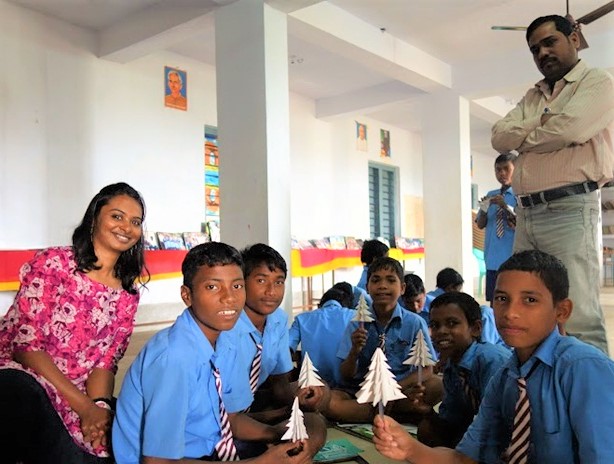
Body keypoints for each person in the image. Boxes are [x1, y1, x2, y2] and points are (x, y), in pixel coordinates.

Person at [373, 250, 614, 463]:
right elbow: (464, 458)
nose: (510, 313)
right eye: (501, 299)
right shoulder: (506, 378)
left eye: (529, 300)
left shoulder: (583, 368)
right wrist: (409, 448)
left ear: (562, 311)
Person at [113, 242, 315, 463]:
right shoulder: (174, 357)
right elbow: (157, 461)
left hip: (212, 446)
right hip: (172, 459)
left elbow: (230, 419)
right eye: (213, 287)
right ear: (187, 295)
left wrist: (279, 435)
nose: (229, 298)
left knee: (313, 426)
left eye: (237, 286)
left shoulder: (223, 343)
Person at [0, 182, 148, 463]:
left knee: (122, 435)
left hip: (81, 390)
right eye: (117, 216)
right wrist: (84, 408)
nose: (126, 227)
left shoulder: (128, 293)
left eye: (135, 221)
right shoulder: (54, 263)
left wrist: (100, 407)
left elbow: (105, 363)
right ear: (94, 218)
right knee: (20, 394)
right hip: (28, 374)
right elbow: (26, 346)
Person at [491, 14, 614, 353]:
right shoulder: (535, 94)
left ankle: (594, 404)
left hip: (569, 209)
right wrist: (546, 122)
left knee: (576, 315)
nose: (542, 52)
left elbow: (571, 130)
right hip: (527, 214)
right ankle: (537, 396)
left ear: (574, 38)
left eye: (550, 42)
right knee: (526, 308)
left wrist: (527, 134)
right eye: (535, 49)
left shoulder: (598, 82)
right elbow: (500, 137)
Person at [216, 243, 327, 457]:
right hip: (216, 420)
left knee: (313, 418)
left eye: (279, 282)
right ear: (241, 283)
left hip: (248, 412)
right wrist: (276, 425)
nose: (271, 291)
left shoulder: (277, 321)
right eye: (261, 280)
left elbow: (280, 386)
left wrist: (301, 398)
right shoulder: (225, 326)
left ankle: (293, 455)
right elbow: (224, 414)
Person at [320, 257, 442, 423]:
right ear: (368, 288)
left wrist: (393, 389)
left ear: (402, 288)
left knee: (438, 385)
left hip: (400, 388)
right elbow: (345, 374)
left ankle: (381, 411)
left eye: (391, 280)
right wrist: (354, 351)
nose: (383, 286)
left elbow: (428, 369)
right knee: (329, 401)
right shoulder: (357, 322)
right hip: (362, 391)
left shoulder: (414, 322)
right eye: (376, 280)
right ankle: (392, 412)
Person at [417, 292, 511, 448]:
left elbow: (497, 420)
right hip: (479, 429)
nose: (441, 331)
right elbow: (452, 420)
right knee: (427, 430)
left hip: (508, 433)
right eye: (435, 325)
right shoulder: (452, 367)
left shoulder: (491, 360)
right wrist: (427, 411)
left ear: (475, 328)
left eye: (452, 323)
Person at [289, 287, 355, 387]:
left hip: (311, 388)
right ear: (346, 305)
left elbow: (285, 348)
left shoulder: (301, 319)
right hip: (347, 388)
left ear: (319, 306)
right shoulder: (354, 316)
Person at [475, 152, 518, 304]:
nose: (502, 173)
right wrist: (485, 208)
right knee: (495, 302)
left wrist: (505, 206)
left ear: (516, 169)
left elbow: (521, 224)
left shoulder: (521, 195)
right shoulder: (491, 195)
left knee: (511, 300)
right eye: (498, 170)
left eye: (506, 169)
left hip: (512, 259)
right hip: (492, 259)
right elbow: (480, 224)